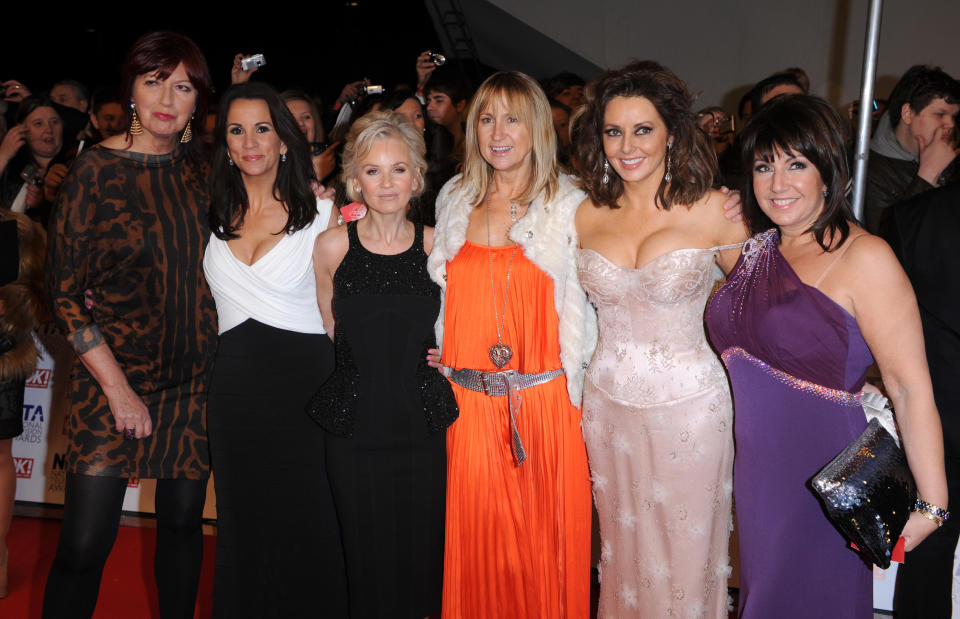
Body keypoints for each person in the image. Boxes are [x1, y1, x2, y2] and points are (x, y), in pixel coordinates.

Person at [705, 94, 948, 618]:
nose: (777, 184)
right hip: (758, 476)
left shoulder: (865, 257)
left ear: (828, 170)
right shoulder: (754, 248)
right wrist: (716, 206)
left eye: (797, 164)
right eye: (763, 166)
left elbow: (909, 387)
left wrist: (932, 504)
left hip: (825, 473)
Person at [42, 31, 218, 619]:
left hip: (193, 384)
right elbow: (65, 295)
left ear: (198, 100)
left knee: (181, 530)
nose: (169, 97)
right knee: (85, 544)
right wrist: (119, 392)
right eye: (154, 81)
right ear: (132, 89)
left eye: (184, 85)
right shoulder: (94, 171)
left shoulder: (204, 173)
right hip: (111, 380)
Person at [571, 60, 746, 618]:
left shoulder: (718, 209)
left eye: (642, 129)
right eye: (613, 130)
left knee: (686, 556)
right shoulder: (582, 213)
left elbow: (761, 312)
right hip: (606, 409)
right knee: (621, 554)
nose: (627, 146)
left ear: (672, 131)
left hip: (692, 410)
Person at [426, 71, 595, 619]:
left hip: (548, 407)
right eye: (486, 117)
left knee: (547, 555)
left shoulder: (572, 205)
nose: (497, 132)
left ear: (539, 127)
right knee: (479, 554)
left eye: (512, 117)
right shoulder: (453, 199)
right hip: (469, 409)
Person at [202, 81, 345, 618]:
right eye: (236, 130)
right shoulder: (211, 213)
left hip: (308, 390)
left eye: (263, 128)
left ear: (285, 139)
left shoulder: (325, 214)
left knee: (312, 519)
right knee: (242, 521)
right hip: (234, 396)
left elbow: (353, 313)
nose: (250, 141)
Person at [307, 110, 458, 619]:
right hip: (353, 429)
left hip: (423, 428)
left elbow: (462, 328)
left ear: (417, 176)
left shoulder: (440, 247)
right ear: (354, 180)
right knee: (363, 565)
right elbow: (331, 329)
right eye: (373, 170)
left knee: (423, 564)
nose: (386, 182)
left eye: (399, 169)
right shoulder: (331, 247)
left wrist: (450, 357)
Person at [884, 183, 960, 619]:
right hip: (930, 421)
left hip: (934, 420)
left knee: (927, 559)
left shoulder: (911, 218)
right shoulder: (908, 217)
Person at [0, 209, 45, 599]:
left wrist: (12, 310)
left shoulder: (20, 229)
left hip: (2, 352)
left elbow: (35, 292)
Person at [865, 65, 960, 233]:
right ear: (908, 114)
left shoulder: (950, 159)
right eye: (940, 114)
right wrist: (927, 176)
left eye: (953, 116)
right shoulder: (869, 172)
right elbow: (889, 243)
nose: (950, 124)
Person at [0, 97, 72, 226]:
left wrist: (44, 204)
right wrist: (3, 156)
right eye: (38, 123)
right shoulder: (14, 168)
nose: (49, 129)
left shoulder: (75, 162)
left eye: (54, 122)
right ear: (21, 130)